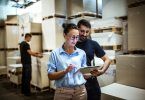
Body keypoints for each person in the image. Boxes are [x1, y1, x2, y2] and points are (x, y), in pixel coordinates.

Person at [48, 23, 87, 100]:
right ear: (64, 35)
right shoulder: (55, 54)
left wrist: (91, 73)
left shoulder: (82, 53)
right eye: (72, 37)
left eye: (77, 37)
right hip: (62, 93)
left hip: (80, 92)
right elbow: (50, 76)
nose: (75, 40)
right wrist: (65, 71)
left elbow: (84, 73)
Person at [76, 19, 111, 100]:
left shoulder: (93, 44)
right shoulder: (71, 44)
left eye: (87, 32)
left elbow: (107, 59)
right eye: (82, 31)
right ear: (77, 29)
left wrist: (102, 71)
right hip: (76, 84)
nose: (85, 34)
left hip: (91, 84)